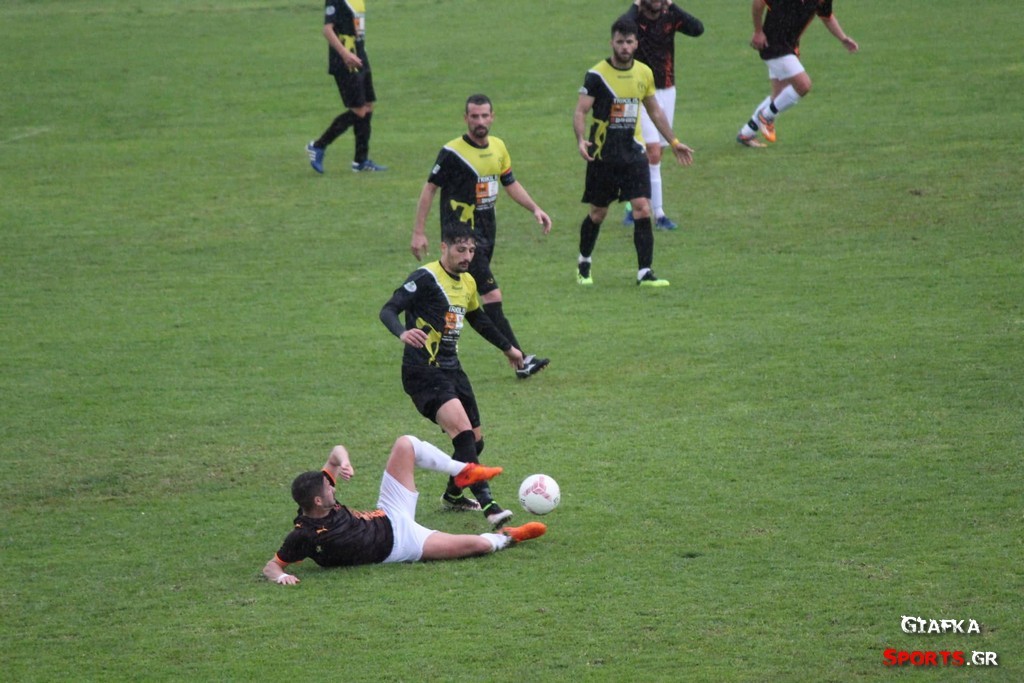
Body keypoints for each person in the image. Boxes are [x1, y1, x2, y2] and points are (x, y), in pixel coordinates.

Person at [381, 223, 524, 526]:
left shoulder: (468, 282)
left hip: (452, 370)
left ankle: (453, 495)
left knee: (475, 442)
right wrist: (402, 333)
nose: (467, 256)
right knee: (463, 434)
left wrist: (508, 348)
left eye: (471, 250)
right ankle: (490, 506)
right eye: (461, 249)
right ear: (444, 247)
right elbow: (388, 310)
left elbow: (478, 320)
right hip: (422, 371)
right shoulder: (425, 277)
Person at [262, 435, 547, 584]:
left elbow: (336, 452)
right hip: (401, 544)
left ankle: (463, 471)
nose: (333, 487)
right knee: (478, 546)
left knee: (405, 444)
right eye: (328, 489)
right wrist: (281, 576)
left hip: (389, 511)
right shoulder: (304, 535)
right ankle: (509, 536)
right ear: (317, 502)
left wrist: (344, 461)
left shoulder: (320, 498)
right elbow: (272, 566)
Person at [411, 94, 552, 380]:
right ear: (466, 118)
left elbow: (510, 183)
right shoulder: (452, 152)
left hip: (487, 234)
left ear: (492, 117)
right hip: (462, 241)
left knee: (467, 300)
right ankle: (520, 359)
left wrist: (535, 208)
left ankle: (438, 348)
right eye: (474, 116)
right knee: (491, 295)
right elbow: (429, 189)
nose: (480, 121)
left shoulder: (498, 147)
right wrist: (418, 231)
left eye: (484, 116)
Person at [573, 17, 694, 288]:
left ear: (636, 44)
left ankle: (645, 272)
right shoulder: (596, 75)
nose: (625, 47)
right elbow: (581, 111)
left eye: (629, 42)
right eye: (620, 42)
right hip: (603, 155)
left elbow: (654, 110)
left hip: (633, 153)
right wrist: (580, 139)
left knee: (642, 208)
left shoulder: (644, 73)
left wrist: (674, 141)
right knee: (598, 213)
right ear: (612, 43)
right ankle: (584, 261)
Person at [621, 0, 704, 231]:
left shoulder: (670, 16)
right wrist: (635, 5)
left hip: (668, 91)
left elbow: (697, 29)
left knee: (657, 153)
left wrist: (673, 5)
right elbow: (621, 27)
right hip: (641, 92)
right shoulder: (634, 21)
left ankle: (633, 205)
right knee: (653, 152)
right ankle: (658, 214)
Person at [736, 0, 858, 148]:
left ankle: (747, 133)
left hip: (789, 46)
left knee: (778, 96)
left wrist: (843, 38)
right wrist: (758, 31)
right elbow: (758, 3)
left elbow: (827, 17)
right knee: (803, 85)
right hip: (772, 43)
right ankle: (766, 117)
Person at [305, 0, 387, 173]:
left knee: (368, 106)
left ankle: (361, 161)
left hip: (360, 57)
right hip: (345, 62)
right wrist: (345, 54)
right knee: (359, 110)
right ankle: (318, 146)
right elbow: (327, 30)